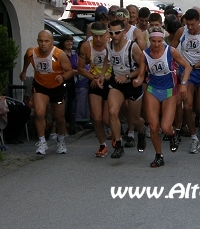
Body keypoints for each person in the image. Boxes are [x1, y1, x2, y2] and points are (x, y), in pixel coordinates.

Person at [19, 31, 74, 155]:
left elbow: (70, 71)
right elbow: (26, 58)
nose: (43, 44)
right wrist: (24, 71)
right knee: (39, 113)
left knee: (59, 117)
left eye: (46, 41)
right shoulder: (31, 52)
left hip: (57, 88)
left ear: (52, 42)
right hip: (40, 86)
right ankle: (42, 141)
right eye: (40, 41)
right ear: (37, 41)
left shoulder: (59, 54)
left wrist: (63, 77)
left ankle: (61, 140)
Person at [144, 26, 190, 167]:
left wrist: (183, 83)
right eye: (153, 41)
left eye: (159, 41)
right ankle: (159, 155)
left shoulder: (171, 51)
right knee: (153, 127)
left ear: (163, 39)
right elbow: (141, 74)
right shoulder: (144, 54)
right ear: (149, 40)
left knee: (165, 127)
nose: (157, 44)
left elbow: (187, 66)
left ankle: (172, 135)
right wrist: (136, 80)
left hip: (170, 90)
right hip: (152, 89)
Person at [171, 8, 200, 153]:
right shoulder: (181, 31)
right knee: (187, 106)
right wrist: (175, 62)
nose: (190, 27)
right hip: (186, 72)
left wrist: (194, 65)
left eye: (192, 24)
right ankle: (194, 137)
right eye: (187, 24)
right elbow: (171, 49)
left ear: (198, 21)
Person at [102, 19, 146, 159]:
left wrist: (128, 76)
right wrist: (103, 75)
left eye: (117, 33)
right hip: (117, 84)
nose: (114, 36)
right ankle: (118, 145)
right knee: (113, 112)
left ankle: (141, 130)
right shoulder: (108, 45)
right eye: (112, 32)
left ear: (124, 33)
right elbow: (107, 60)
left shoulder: (132, 46)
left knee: (134, 118)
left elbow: (143, 66)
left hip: (132, 83)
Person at [77, 22, 112, 157]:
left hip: (109, 81)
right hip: (94, 82)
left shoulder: (111, 45)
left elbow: (118, 66)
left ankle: (116, 137)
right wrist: (93, 78)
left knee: (107, 119)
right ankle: (102, 145)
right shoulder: (87, 46)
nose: (98, 39)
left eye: (101, 36)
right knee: (96, 118)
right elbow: (80, 68)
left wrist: (105, 77)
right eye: (95, 36)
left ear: (106, 35)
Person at [59, 35, 79, 135]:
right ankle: (60, 130)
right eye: (67, 41)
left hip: (72, 82)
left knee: (71, 106)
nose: (70, 43)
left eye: (71, 41)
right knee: (63, 106)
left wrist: (76, 71)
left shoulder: (74, 54)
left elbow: (79, 66)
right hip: (62, 82)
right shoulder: (59, 54)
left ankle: (69, 126)